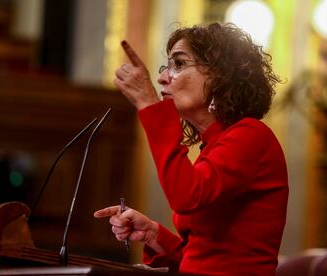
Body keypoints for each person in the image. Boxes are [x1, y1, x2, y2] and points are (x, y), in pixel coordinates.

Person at [94, 22, 288, 276]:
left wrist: (149, 104)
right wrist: (153, 233)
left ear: (219, 75)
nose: (162, 77)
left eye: (178, 63)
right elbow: (204, 258)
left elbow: (188, 197)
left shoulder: (251, 135)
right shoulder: (214, 146)